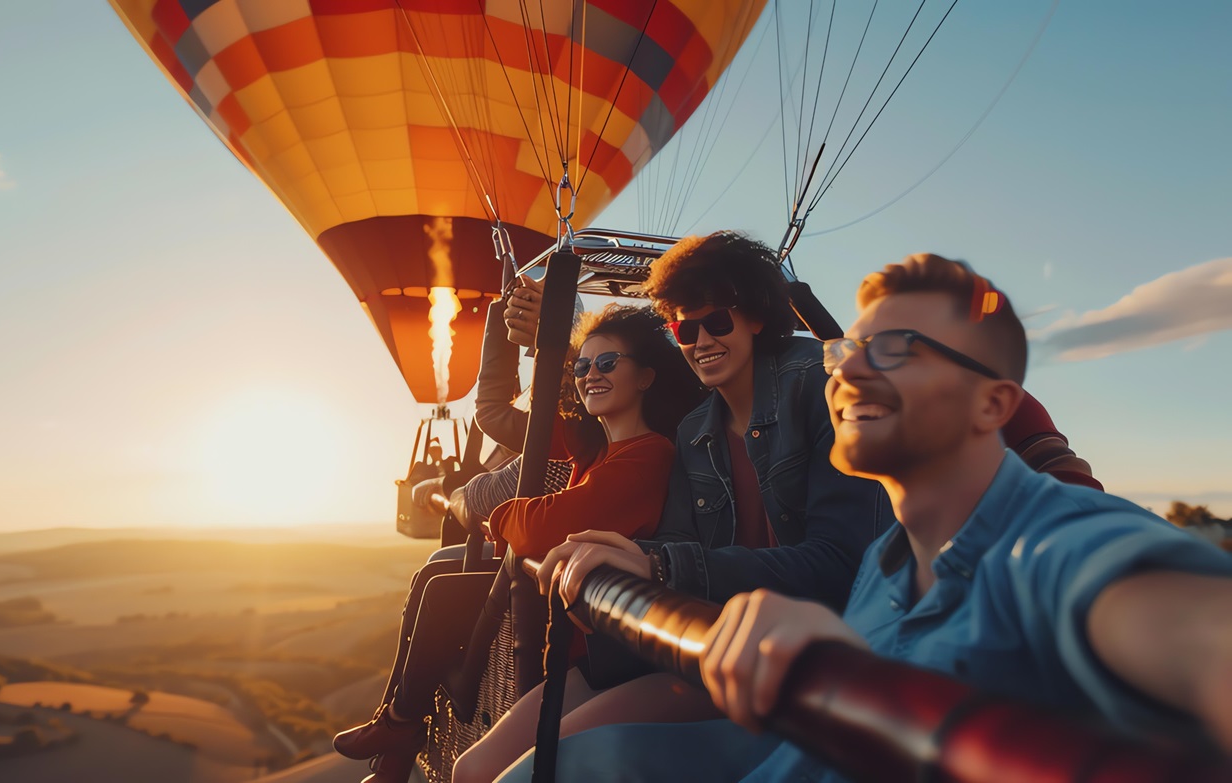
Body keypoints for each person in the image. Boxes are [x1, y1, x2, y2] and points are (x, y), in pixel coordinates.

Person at [498, 254, 1232, 781]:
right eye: (849, 350)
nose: (845, 370)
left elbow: (1188, 629)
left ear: (994, 405)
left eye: (899, 352)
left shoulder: (1046, 542)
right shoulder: (886, 562)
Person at [454, 232, 895, 782]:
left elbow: (839, 562)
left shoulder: (821, 385)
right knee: (472, 770)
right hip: (703, 642)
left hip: (804, 662)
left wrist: (658, 564)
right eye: (685, 327)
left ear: (757, 316)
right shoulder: (695, 430)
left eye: (717, 322)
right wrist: (631, 553)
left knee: (540, 768)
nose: (700, 340)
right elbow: (677, 541)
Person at [332, 303, 705, 783]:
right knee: (438, 574)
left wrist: (486, 510)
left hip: (597, 646)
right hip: (568, 629)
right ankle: (399, 723)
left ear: (647, 377)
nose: (591, 374)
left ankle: (401, 727)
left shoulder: (648, 455)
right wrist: (504, 327)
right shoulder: (590, 442)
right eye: (583, 366)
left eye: (608, 363)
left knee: (448, 590)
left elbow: (540, 527)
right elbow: (497, 416)